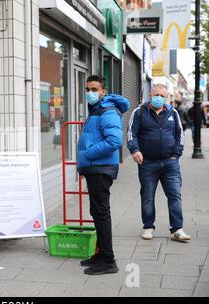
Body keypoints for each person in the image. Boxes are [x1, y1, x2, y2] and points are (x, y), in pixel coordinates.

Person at [77, 75, 129, 275]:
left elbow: (114, 141)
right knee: (97, 213)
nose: (90, 93)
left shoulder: (107, 111)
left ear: (103, 91)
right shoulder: (96, 110)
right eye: (88, 89)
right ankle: (100, 254)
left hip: (100, 168)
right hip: (95, 168)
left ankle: (108, 260)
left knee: (101, 214)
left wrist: (88, 154)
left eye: (94, 89)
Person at [127, 84, 191, 242]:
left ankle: (177, 229)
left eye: (162, 95)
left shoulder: (173, 112)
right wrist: (135, 151)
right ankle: (148, 227)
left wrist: (176, 155)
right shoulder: (140, 112)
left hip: (170, 164)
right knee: (147, 196)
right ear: (150, 95)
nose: (159, 98)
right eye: (156, 94)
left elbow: (179, 135)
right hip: (147, 163)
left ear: (166, 97)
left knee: (175, 195)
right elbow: (131, 134)